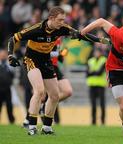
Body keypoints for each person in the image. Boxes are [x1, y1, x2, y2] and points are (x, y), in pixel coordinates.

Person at [7, 6, 109, 135]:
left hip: (46, 61)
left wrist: (100, 40)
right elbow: (13, 38)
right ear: (51, 18)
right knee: (39, 91)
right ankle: (31, 126)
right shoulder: (36, 29)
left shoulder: (61, 29)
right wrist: (11, 56)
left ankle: (47, 128)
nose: (62, 23)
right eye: (60, 20)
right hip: (31, 60)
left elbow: (80, 34)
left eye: (63, 20)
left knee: (54, 95)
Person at [86, 48, 107, 125]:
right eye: (95, 52)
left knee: (102, 104)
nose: (96, 53)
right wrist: (94, 72)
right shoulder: (90, 60)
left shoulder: (104, 60)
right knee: (93, 104)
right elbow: (87, 73)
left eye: (98, 52)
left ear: (101, 53)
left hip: (100, 85)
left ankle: (103, 121)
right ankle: (93, 121)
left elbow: (100, 72)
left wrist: (92, 72)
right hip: (92, 84)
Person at [0, 48, 15, 124]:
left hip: (7, 89)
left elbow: (13, 75)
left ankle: (11, 121)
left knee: (9, 106)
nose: (3, 56)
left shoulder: (9, 65)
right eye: (1, 55)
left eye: (4, 55)